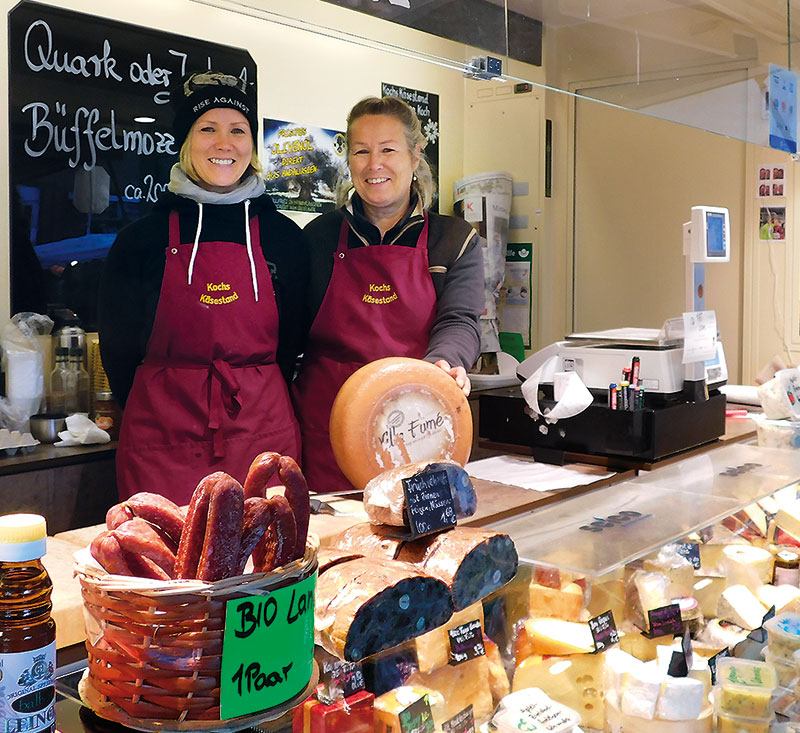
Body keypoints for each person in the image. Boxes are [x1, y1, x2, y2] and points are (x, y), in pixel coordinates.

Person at [98, 70, 309, 503]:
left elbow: (292, 340)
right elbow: (117, 350)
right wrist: (163, 399)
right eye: (207, 128)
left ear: (252, 144)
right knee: (166, 561)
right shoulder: (141, 239)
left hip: (262, 432)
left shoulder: (284, 237)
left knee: (268, 561)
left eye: (238, 129)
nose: (223, 143)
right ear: (186, 141)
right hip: (163, 436)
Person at [292, 95, 483, 493]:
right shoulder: (316, 239)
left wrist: (441, 367)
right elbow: (288, 333)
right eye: (361, 151)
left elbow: (459, 320)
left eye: (388, 150)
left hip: (416, 428)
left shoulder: (454, 240)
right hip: (329, 430)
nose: (374, 164)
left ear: (415, 157)